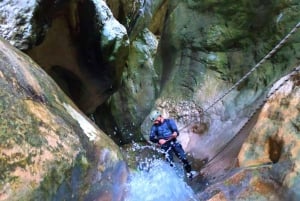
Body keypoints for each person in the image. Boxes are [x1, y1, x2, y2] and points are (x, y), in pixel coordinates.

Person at [149, 110, 193, 179]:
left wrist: (175, 133)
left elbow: (176, 131)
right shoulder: (154, 127)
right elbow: (151, 138)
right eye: (154, 121)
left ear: (159, 117)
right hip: (165, 146)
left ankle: (189, 173)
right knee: (170, 163)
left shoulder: (169, 122)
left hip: (174, 142)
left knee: (183, 158)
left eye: (155, 120)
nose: (155, 122)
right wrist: (158, 140)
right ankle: (174, 179)